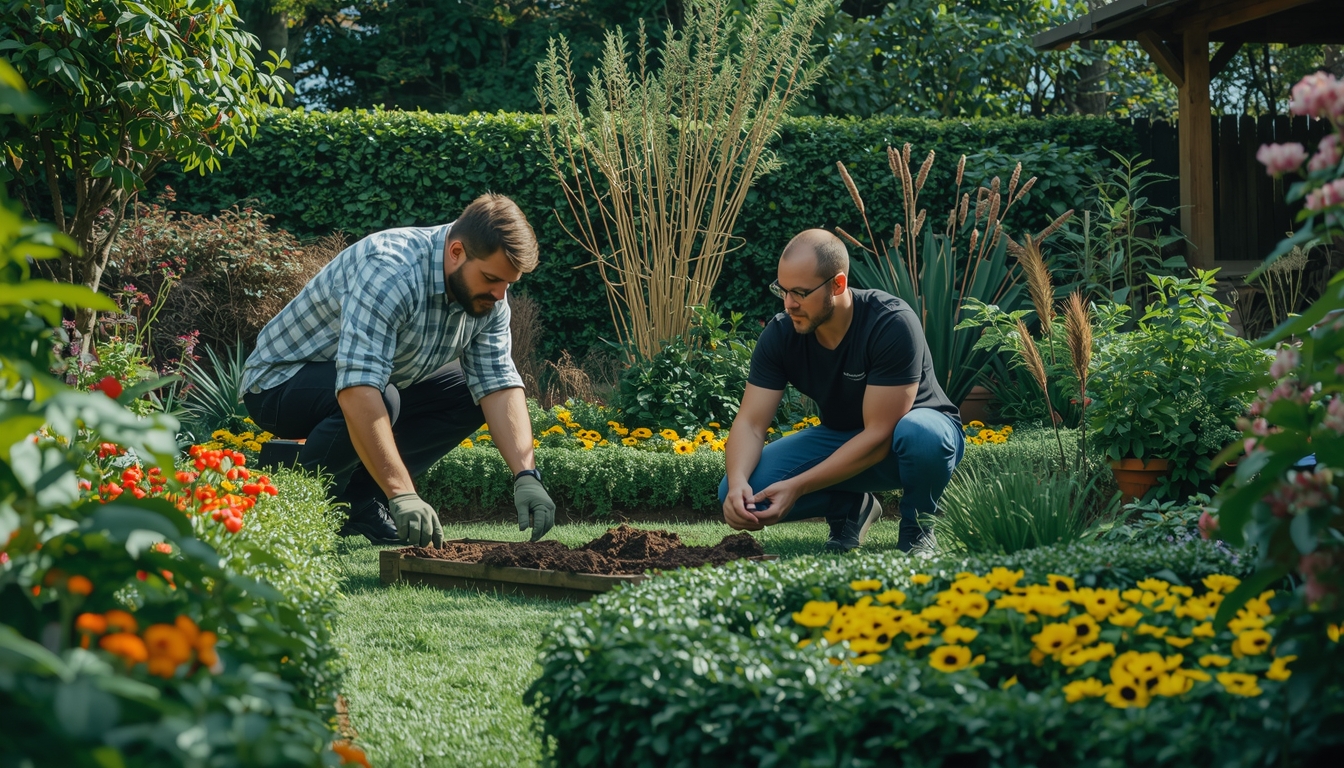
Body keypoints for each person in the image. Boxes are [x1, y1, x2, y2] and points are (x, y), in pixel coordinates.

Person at [241, 193, 556, 547]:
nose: (499, 295)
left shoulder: (488, 294)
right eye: (491, 279)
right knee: (382, 396)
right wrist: (402, 492)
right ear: (456, 252)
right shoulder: (391, 270)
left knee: (468, 393)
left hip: (376, 382)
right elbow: (358, 389)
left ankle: (359, 502)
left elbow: (498, 383)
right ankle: (302, 506)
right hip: (278, 385)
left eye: (508, 284)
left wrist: (526, 475)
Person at [718, 229, 964, 552]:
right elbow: (750, 423)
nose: (789, 304)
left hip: (906, 438)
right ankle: (851, 507)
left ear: (838, 284)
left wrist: (798, 486)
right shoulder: (781, 335)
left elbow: (879, 435)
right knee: (739, 492)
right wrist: (737, 483)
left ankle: (918, 529)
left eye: (800, 293)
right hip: (842, 438)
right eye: (783, 290)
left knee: (921, 434)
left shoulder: (891, 323)